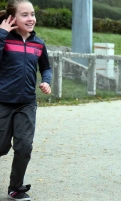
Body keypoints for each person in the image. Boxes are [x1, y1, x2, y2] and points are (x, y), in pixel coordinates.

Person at [0, 0, 52, 200]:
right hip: (3, 101)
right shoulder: (3, 38)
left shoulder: (38, 43)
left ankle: (16, 187)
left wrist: (46, 81)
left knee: (24, 146)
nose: (31, 19)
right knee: (1, 146)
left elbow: (46, 67)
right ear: (12, 18)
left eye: (32, 14)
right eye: (25, 15)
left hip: (27, 103)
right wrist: (2, 34)